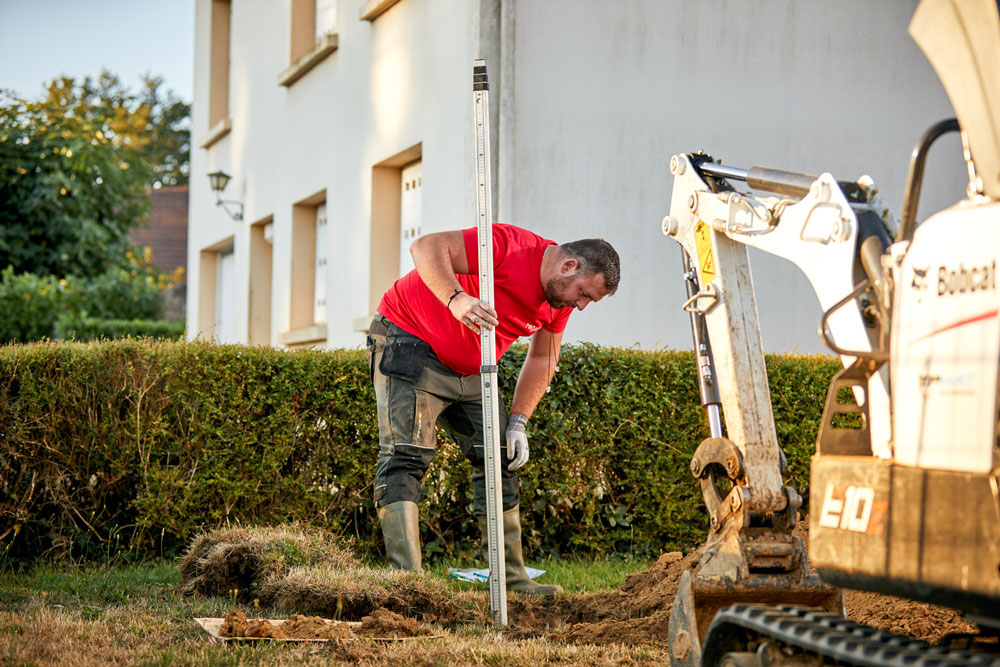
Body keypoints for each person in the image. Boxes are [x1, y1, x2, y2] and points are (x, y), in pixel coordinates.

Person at [367, 223, 620, 598]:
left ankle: (512, 580)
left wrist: (518, 421)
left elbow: (543, 357)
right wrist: (456, 299)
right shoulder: (507, 246)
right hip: (410, 342)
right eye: (584, 294)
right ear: (568, 266)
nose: (580, 305)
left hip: (469, 370)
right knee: (406, 457)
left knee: (498, 458)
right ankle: (409, 588)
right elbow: (425, 245)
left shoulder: (556, 302)